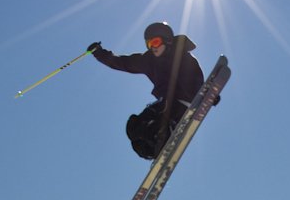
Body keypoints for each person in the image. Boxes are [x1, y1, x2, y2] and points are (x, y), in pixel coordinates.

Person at [89, 22, 207, 159]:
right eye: (149, 44)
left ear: (167, 40)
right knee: (135, 127)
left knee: (158, 120)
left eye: (155, 42)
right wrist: (99, 53)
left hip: (183, 101)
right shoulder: (148, 60)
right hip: (164, 102)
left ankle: (168, 131)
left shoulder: (182, 56)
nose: (153, 48)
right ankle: (153, 150)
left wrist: (205, 94)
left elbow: (194, 77)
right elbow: (122, 62)